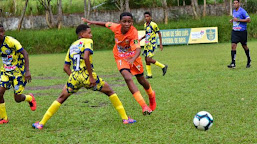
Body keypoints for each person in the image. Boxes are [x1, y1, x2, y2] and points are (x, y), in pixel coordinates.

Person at [32, 24, 136, 129]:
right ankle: (125, 119)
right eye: (89, 33)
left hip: (74, 77)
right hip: (87, 76)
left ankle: (41, 123)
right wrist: (90, 77)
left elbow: (65, 67)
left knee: (61, 98)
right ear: (82, 34)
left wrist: (75, 78)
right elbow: (86, 57)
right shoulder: (88, 42)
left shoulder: (72, 46)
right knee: (110, 92)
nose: (91, 35)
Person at [82, 12, 156, 115]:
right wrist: (91, 22)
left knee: (142, 80)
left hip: (133, 57)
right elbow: (105, 24)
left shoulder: (133, 33)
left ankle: (151, 95)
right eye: (124, 21)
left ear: (132, 22)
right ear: (120, 22)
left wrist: (133, 58)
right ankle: (144, 106)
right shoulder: (115, 27)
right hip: (120, 56)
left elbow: (138, 49)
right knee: (127, 77)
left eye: (129, 22)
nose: (127, 24)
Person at [0, 24, 36, 124]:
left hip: (18, 72)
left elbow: (25, 53)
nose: (0, 34)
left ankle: (29, 98)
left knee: (17, 98)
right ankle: (4, 118)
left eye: (2, 31)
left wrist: (27, 71)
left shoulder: (11, 42)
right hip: (5, 72)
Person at [139, 11, 168, 79]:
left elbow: (159, 33)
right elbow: (147, 34)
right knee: (146, 59)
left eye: (147, 16)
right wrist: (141, 38)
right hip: (147, 44)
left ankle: (163, 66)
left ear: (150, 17)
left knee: (149, 59)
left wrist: (161, 44)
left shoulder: (154, 25)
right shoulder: (145, 25)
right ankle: (149, 75)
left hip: (152, 44)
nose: (146, 18)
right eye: (145, 17)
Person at [228, 0, 251, 68]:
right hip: (235, 31)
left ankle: (249, 60)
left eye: (236, 3)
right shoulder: (234, 11)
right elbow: (236, 18)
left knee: (244, 46)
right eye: (234, 3)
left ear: (239, 3)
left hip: (242, 32)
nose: (235, 4)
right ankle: (233, 63)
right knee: (233, 46)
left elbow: (249, 20)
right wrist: (232, 20)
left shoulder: (242, 11)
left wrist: (238, 20)